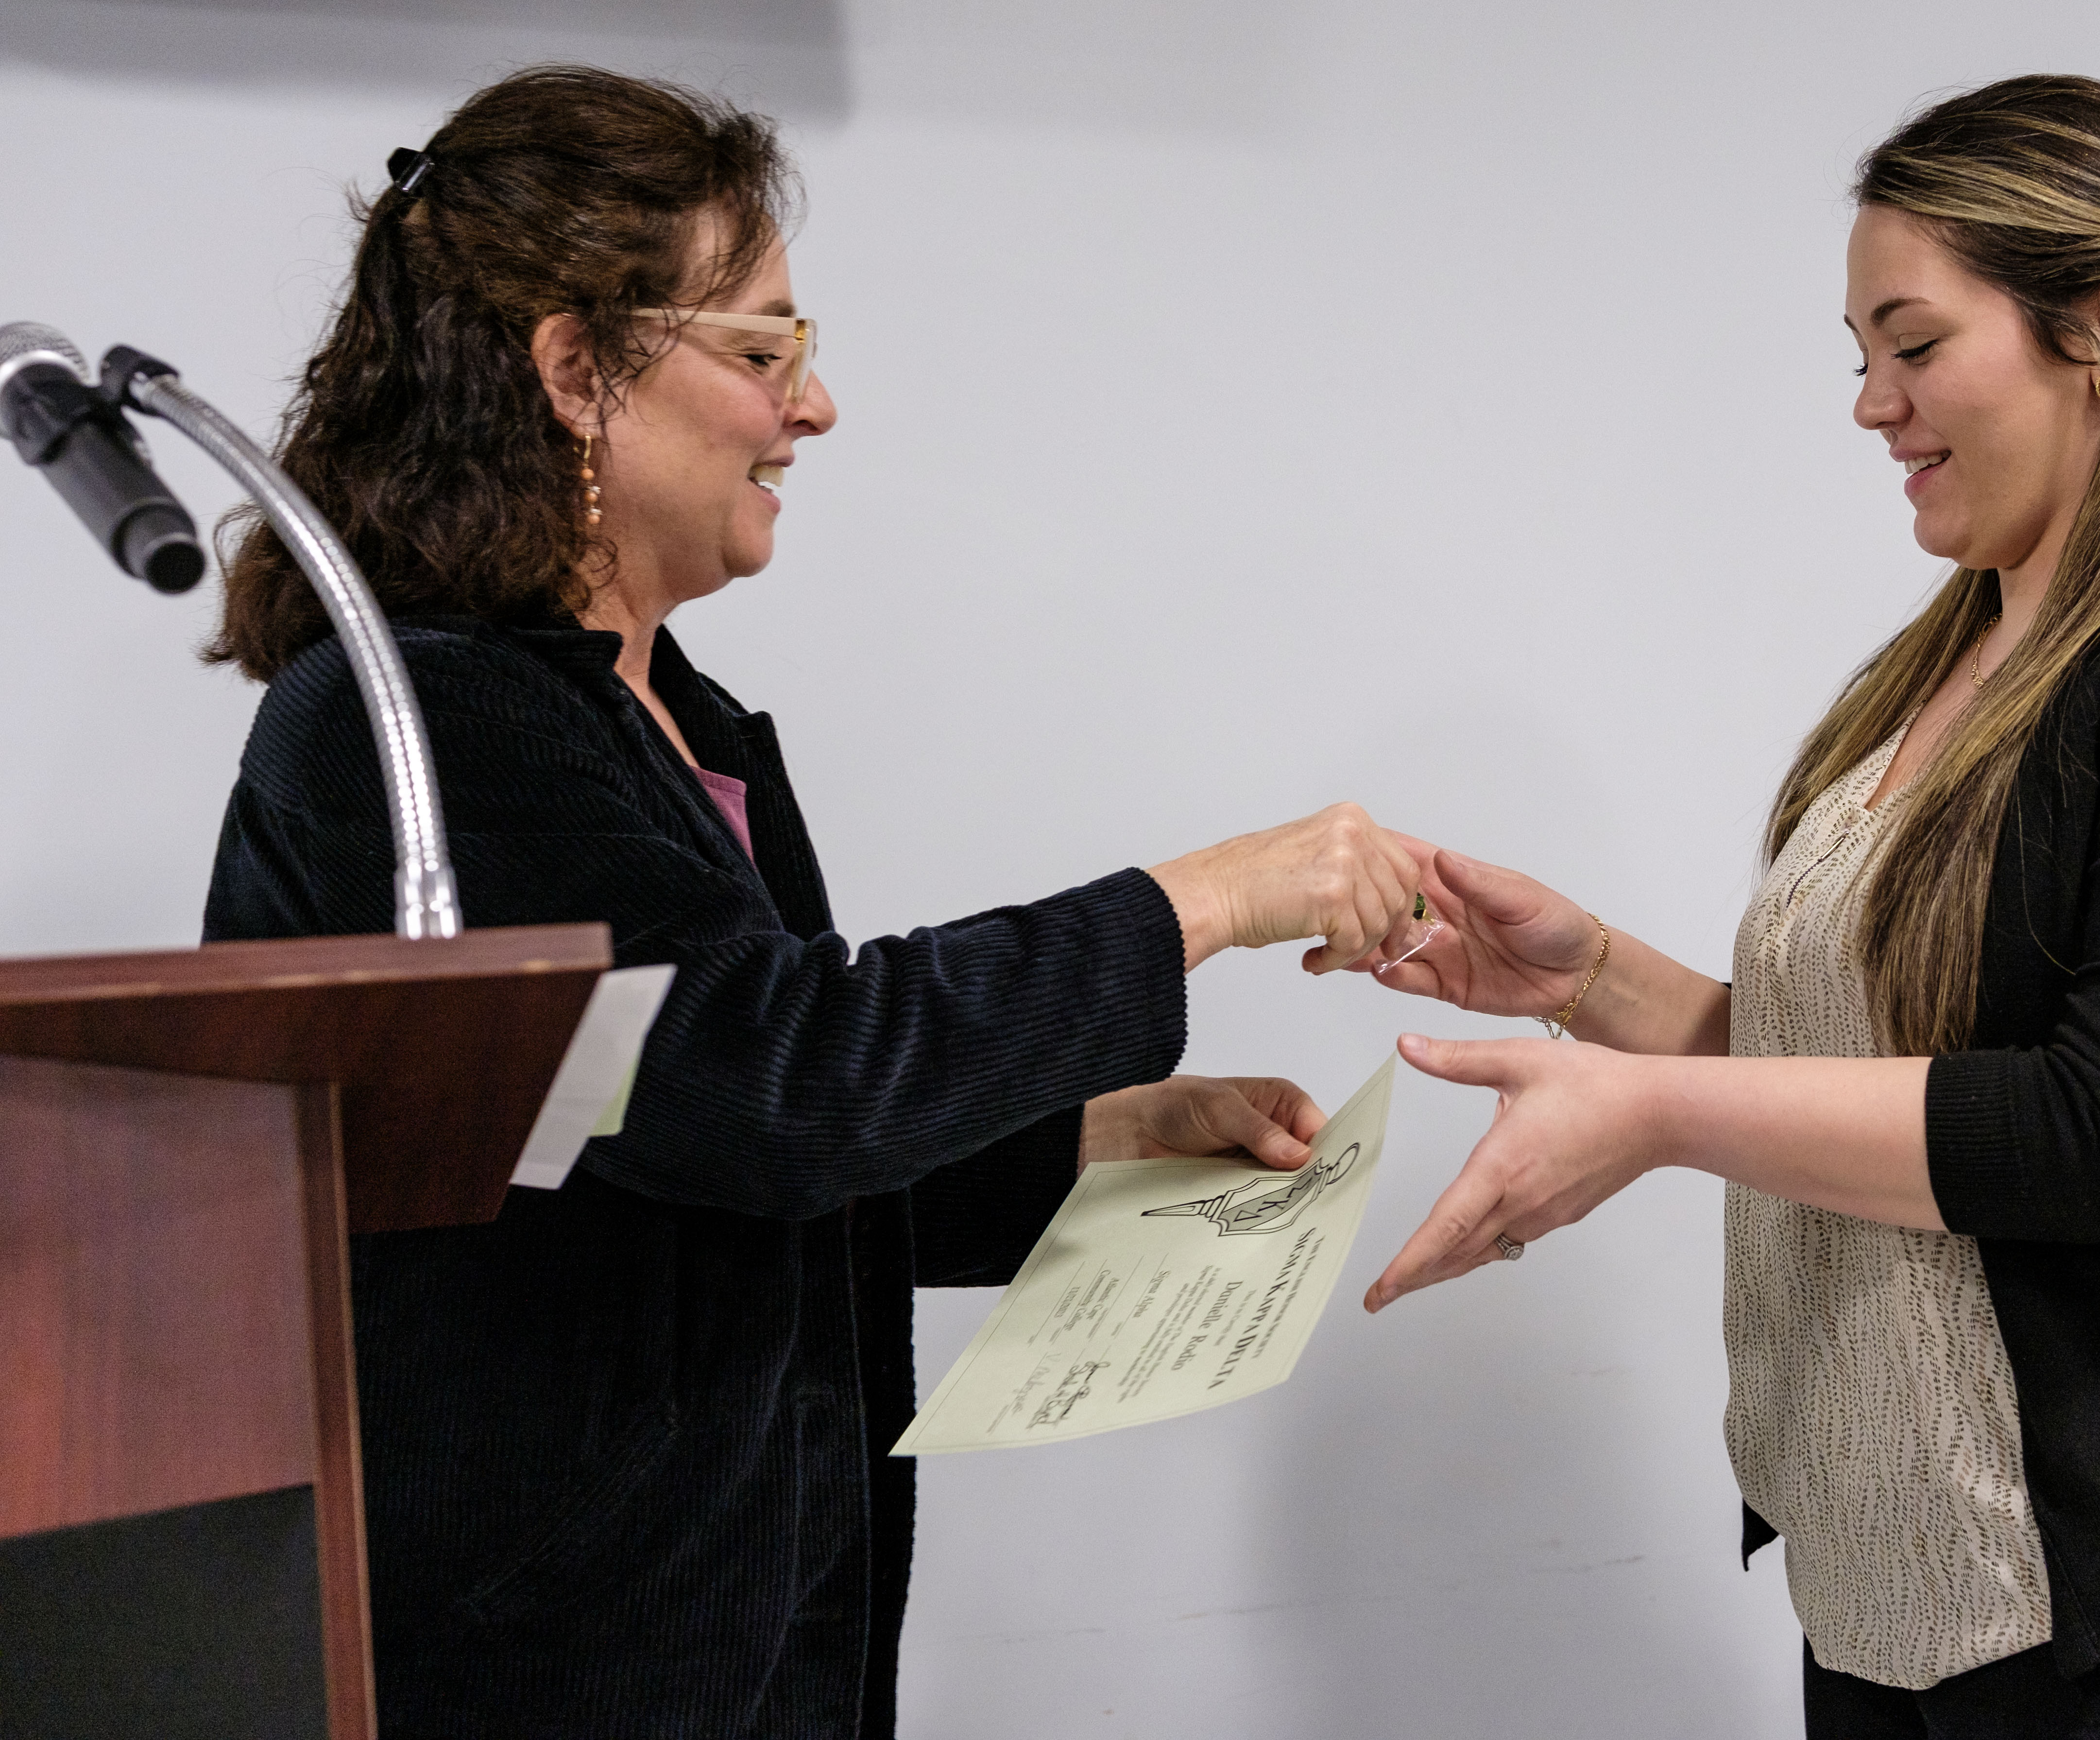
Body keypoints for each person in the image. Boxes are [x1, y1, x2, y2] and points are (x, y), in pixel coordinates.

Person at [201, 67, 1420, 1739]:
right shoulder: (411, 725)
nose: (817, 406)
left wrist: (1093, 1140)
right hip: (541, 1669)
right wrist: (1200, 901)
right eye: (763, 354)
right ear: (576, 371)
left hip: (750, 1640)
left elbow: (683, 1139)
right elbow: (773, 1085)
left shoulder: (681, 723)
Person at [1357, 75, 2100, 1737]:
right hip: (1905, 1583)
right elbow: (1888, 1073)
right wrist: (1597, 987)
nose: (1872, 403)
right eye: (1857, 353)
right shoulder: (1960, 654)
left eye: (1914, 344)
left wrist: (1645, 1112)